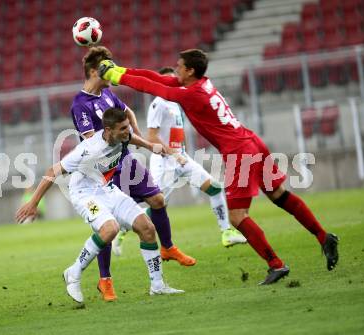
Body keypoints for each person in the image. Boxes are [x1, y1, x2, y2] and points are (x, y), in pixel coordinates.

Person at [98, 50, 339, 285]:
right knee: (279, 195)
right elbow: (159, 78)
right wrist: (118, 70)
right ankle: (323, 236)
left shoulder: (192, 94)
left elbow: (154, 88)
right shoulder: (202, 84)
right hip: (251, 141)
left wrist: (115, 77)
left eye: (180, 65)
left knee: (237, 216)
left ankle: (276, 264)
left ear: (190, 70)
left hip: (239, 151)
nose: (176, 68)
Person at [15, 108, 184, 308]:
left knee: (147, 227)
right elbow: (52, 171)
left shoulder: (122, 135)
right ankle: (74, 271)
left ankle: (157, 286)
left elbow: (131, 138)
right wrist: (33, 203)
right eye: (122, 129)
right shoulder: (88, 149)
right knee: (110, 229)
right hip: (84, 194)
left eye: (127, 127)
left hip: (106, 189)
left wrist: (150, 146)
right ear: (108, 130)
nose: (126, 132)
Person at [69, 46, 195, 302]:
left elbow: (127, 114)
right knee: (108, 227)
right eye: (107, 68)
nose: (112, 72)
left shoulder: (107, 94)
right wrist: (136, 142)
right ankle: (105, 280)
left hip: (126, 160)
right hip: (105, 170)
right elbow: (94, 145)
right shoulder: (80, 105)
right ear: (94, 71)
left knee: (157, 200)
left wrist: (142, 140)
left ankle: (167, 251)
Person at [112, 67, 246, 256]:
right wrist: (175, 155)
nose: (171, 84)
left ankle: (226, 232)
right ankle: (122, 229)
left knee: (215, 187)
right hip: (165, 162)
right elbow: (152, 137)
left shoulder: (176, 103)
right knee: (157, 204)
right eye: (166, 81)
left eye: (172, 80)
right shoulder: (158, 105)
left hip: (182, 159)